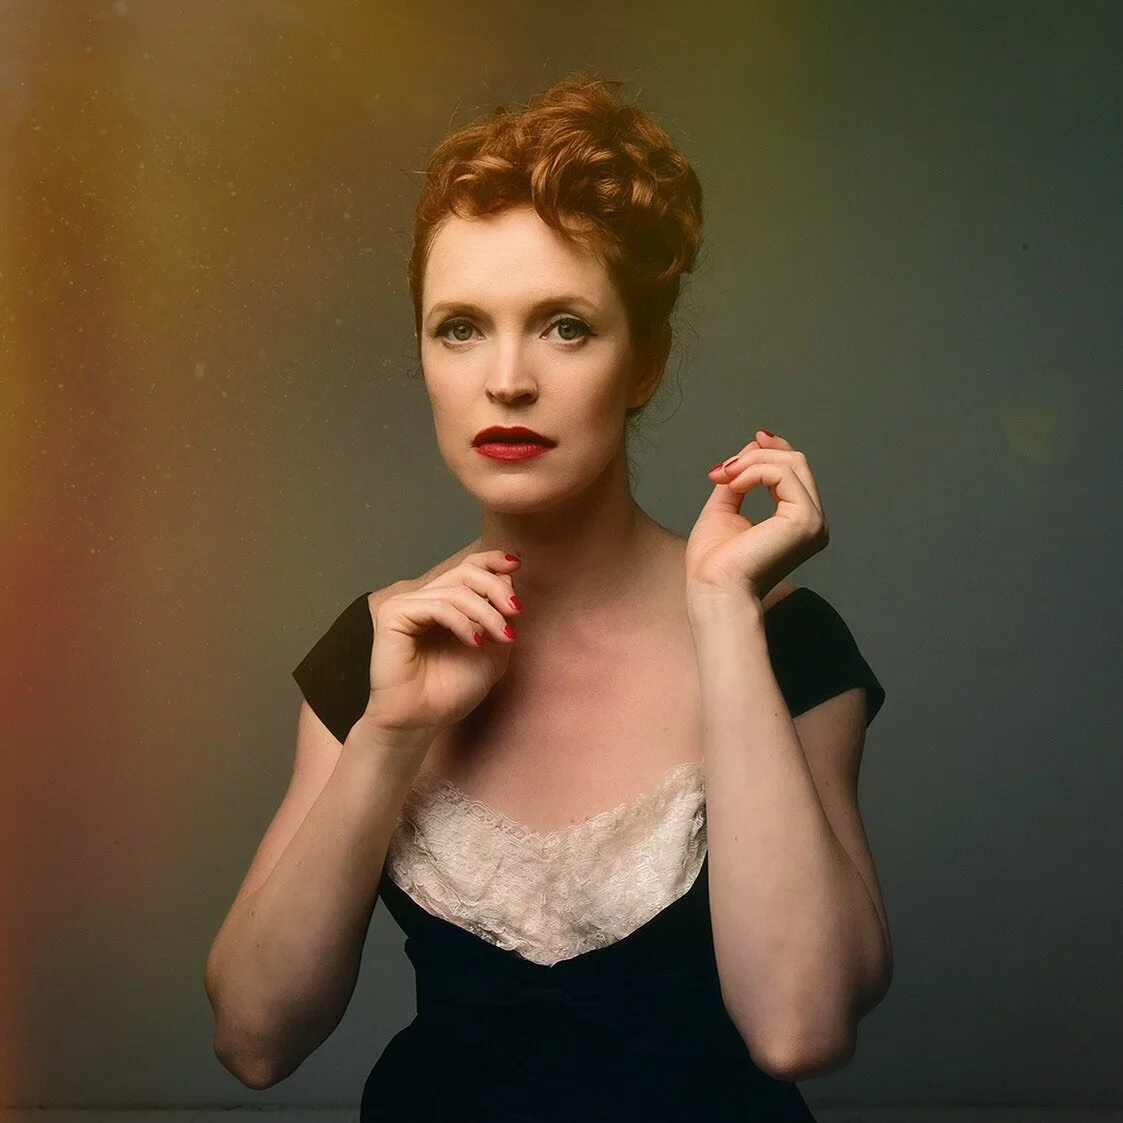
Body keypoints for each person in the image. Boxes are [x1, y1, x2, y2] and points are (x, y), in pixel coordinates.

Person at [204, 74, 889, 1120]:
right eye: (460, 327)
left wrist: (718, 616)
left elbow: (800, 1023)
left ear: (645, 358)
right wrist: (390, 734)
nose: (507, 379)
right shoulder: (381, 645)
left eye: (564, 326)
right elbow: (254, 1038)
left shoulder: (783, 637)